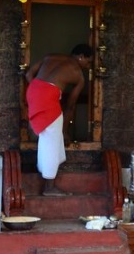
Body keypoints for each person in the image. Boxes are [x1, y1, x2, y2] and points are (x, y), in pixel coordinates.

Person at [24, 44, 93, 196]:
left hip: (33, 90)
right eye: (88, 62)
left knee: (48, 137)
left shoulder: (51, 56)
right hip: (47, 99)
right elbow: (71, 105)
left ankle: (45, 170)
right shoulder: (78, 75)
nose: (88, 67)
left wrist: (39, 93)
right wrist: (65, 132)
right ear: (80, 57)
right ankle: (49, 188)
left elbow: (29, 75)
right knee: (52, 142)